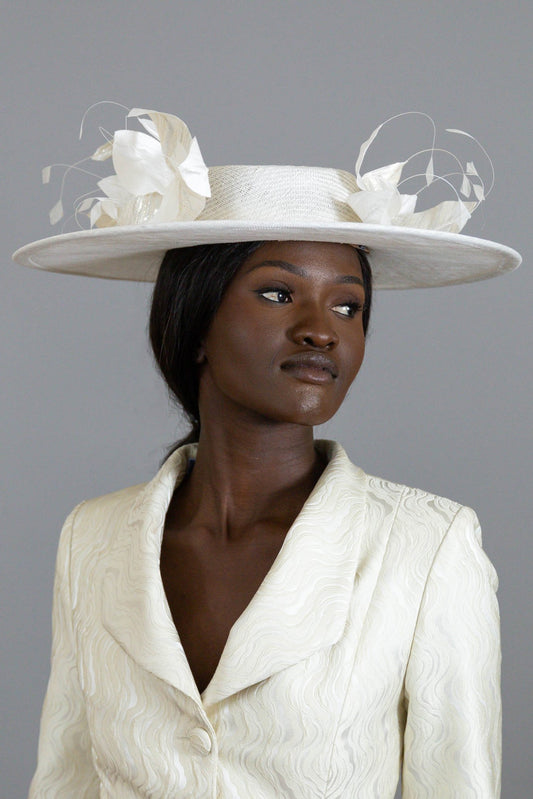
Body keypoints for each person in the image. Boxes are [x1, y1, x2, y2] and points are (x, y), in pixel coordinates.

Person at [13, 107, 521, 798]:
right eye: (279, 294)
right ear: (195, 321)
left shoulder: (427, 547)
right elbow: (65, 777)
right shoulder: (92, 538)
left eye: (348, 307)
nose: (321, 330)